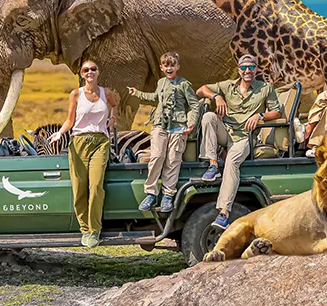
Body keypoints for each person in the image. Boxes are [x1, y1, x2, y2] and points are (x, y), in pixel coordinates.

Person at [195, 54, 282, 229]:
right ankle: (212, 165)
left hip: (246, 136)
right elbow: (200, 90)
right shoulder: (227, 85)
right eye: (244, 67)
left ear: (257, 69)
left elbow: (277, 112)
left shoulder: (265, 88)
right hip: (226, 132)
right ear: (239, 70)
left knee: (232, 161)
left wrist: (260, 116)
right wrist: (216, 97)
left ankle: (224, 213)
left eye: (251, 67)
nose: (247, 71)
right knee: (209, 117)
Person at [48, 60, 119, 248]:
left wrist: (112, 119)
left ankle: (94, 230)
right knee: (80, 188)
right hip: (78, 142)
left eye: (93, 69)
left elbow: (114, 105)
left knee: (96, 186)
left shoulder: (106, 92)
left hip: (100, 142)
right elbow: (70, 120)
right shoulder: (76, 94)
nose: (90, 72)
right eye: (86, 70)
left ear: (98, 72)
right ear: (81, 74)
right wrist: (60, 133)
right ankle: (84, 229)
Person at [128, 51, 200, 213]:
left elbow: (194, 105)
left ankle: (168, 195)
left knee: (173, 160)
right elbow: (154, 97)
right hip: (160, 125)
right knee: (157, 156)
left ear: (177, 67)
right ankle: (151, 193)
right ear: (161, 67)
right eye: (166, 65)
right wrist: (137, 93)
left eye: (172, 65)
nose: (169, 68)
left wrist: (191, 122)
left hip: (178, 126)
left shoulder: (184, 84)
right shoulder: (161, 82)